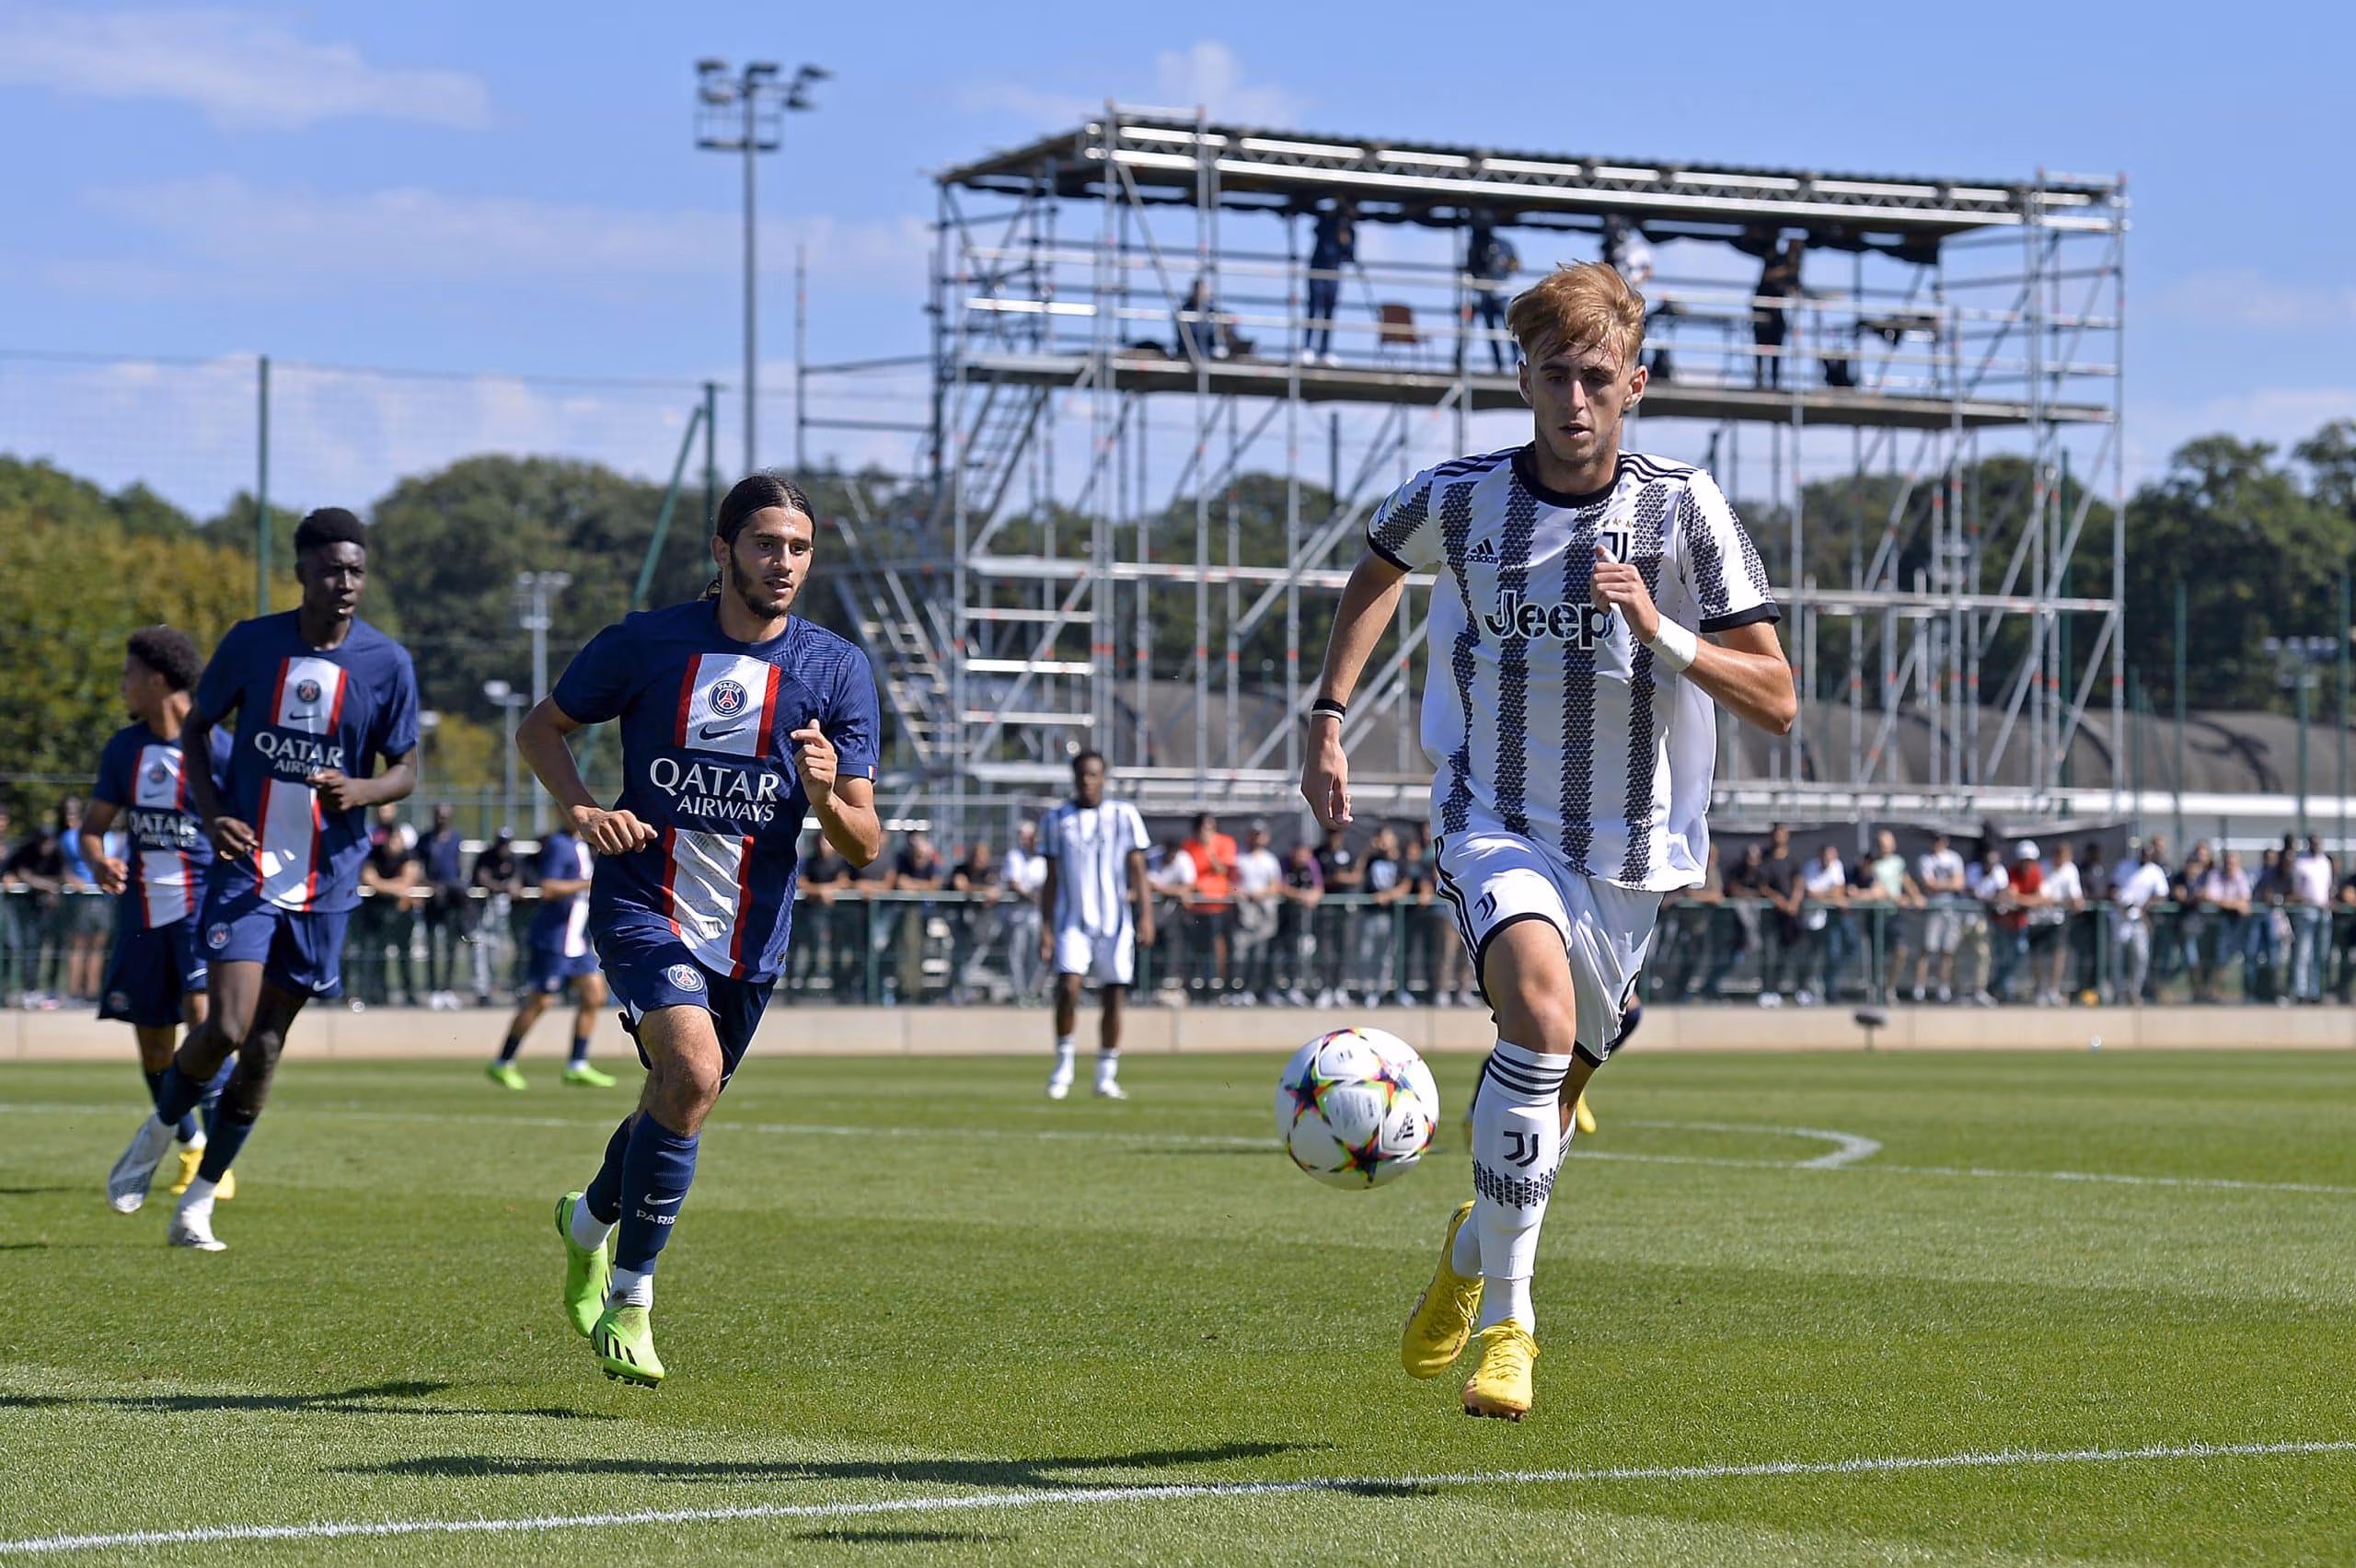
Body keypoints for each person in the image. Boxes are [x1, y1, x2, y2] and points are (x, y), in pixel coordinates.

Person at [1303, 259, 1794, 1420]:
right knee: (1537, 1007)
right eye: (1551, 377)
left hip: (1629, 853)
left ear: (1634, 385)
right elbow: (1376, 566)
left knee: (1549, 1095)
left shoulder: (1684, 505)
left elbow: (1774, 696)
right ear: (1519, 377)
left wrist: (1661, 630)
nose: (1572, 403)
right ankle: (1516, 1327)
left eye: (1594, 380)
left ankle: (1470, 1251)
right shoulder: (1459, 496)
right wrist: (1329, 716)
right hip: (1493, 814)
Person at [521, 472, 881, 1387]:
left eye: (799, 547)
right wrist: (584, 809)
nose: (785, 563)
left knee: (679, 1098)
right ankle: (633, 1298)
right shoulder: (646, 644)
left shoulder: (835, 669)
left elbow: (864, 842)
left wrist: (823, 795)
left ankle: (588, 1220)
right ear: (722, 552)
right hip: (642, 901)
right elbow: (542, 727)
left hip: (751, 937)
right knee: (690, 1070)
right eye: (767, 544)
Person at [104, 507, 422, 1250]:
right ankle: (158, 1134)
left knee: (268, 1046)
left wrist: (365, 790)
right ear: (302, 570)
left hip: (329, 880)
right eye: (332, 569)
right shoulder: (253, 644)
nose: (346, 584)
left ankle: (200, 1201)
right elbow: (195, 728)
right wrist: (212, 813)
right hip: (245, 869)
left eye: (356, 571)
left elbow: (406, 768)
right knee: (225, 1024)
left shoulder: (387, 663)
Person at [84, 628, 237, 1210]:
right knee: (154, 1050)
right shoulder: (124, 750)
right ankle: (192, 1141)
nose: (123, 686)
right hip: (142, 919)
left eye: (128, 676)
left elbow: (244, 824)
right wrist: (99, 861)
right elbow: (94, 828)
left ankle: (214, 1166)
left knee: (205, 1029)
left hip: (202, 913)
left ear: (157, 680)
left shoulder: (218, 749)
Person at [1036, 751, 1152, 1101]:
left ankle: (1106, 1074)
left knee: (1113, 995)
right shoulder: (1057, 819)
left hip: (1115, 922)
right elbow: (1051, 879)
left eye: (1094, 775)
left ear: (1104, 777)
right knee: (1068, 986)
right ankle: (1063, 1065)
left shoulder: (1124, 815)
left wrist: (1146, 915)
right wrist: (1045, 927)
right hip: (1072, 920)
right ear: (1073, 778)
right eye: (1082, 775)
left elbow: (1138, 870)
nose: (1087, 781)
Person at [486, 823, 616, 1090]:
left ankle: (577, 1064)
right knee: (540, 1002)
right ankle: (502, 1062)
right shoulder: (559, 844)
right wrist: (589, 883)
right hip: (554, 940)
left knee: (594, 994)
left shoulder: (580, 845)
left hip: (574, 941)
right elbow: (549, 888)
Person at [354, 802, 419, 1007]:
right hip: (376, 911)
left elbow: (409, 879)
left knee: (404, 955)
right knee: (375, 954)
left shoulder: (408, 856)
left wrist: (385, 886)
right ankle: (375, 993)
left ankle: (409, 994)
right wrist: (394, 887)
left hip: (401, 911)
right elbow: (369, 878)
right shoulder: (375, 855)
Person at [1177, 813, 1237, 1000]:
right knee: (1196, 947)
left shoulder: (1225, 842)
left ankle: (1215, 985)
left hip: (1218, 905)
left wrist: (1208, 848)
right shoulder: (1188, 845)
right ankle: (1195, 985)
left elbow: (1223, 869)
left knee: (1215, 947)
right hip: (1196, 906)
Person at [417, 803, 468, 1011]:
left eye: (445, 816)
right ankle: (432, 989)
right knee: (430, 944)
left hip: (451, 899)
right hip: (431, 897)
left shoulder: (456, 838)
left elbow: (458, 867)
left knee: (450, 945)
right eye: (439, 816)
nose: (442, 820)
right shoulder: (425, 840)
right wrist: (430, 885)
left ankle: (447, 988)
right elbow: (418, 868)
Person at [888, 830, 945, 1004]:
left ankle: (914, 989)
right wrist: (923, 887)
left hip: (925, 914)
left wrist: (917, 886)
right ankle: (908, 990)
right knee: (907, 952)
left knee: (918, 952)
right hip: (906, 913)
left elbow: (935, 884)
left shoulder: (932, 862)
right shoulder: (903, 859)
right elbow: (901, 882)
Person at [2111, 839, 2171, 1004]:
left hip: (2139, 920)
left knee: (2141, 956)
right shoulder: (2125, 866)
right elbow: (2113, 887)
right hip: (2121, 918)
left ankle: (2134, 991)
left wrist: (2146, 905)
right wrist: (2121, 901)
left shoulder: (2155, 871)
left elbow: (2162, 895)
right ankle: (2118, 993)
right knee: (2117, 957)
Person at [1460, 212, 1520, 374]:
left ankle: (1517, 363)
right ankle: (1499, 366)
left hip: (1502, 294)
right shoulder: (1475, 247)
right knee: (1491, 332)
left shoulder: (1505, 245)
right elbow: (1471, 268)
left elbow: (1517, 265)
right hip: (1485, 295)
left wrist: (1506, 264)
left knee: (1509, 331)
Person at [1300, 197, 1357, 365]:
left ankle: (1324, 350)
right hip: (1318, 269)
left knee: (1329, 313)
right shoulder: (1326, 222)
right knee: (1313, 308)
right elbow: (1316, 230)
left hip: (1334, 272)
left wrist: (1345, 240)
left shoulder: (1350, 231)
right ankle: (1307, 348)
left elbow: (1350, 255)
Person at [1911, 831, 1967, 1001]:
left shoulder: (1954, 858)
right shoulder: (1925, 859)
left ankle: (1943, 987)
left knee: (1948, 950)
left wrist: (1940, 885)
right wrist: (1946, 884)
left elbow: (1959, 884)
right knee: (1928, 948)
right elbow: (1930, 885)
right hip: (1933, 908)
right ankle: (1919, 987)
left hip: (1951, 908)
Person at [1231, 821, 1283, 1003]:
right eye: (1254, 834)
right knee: (1240, 953)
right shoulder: (1240, 858)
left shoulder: (1270, 860)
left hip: (1264, 912)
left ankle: (1259, 989)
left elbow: (1276, 885)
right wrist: (1243, 894)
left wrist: (1260, 894)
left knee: (1261, 954)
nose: (1257, 838)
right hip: (1244, 912)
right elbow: (1233, 883)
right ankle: (1239, 990)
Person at [468, 827, 521, 1003]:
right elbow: (482, 877)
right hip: (483, 908)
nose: (503, 848)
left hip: (505, 911)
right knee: (481, 946)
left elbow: (518, 880)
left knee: (502, 950)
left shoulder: (513, 858)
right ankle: (483, 990)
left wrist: (511, 886)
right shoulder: (486, 856)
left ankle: (510, 988)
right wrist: (501, 887)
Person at [1312, 824, 1360, 1006]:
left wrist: (1344, 879)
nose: (1334, 838)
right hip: (1326, 908)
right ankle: (1325, 986)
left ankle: (1339, 987)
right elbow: (1316, 879)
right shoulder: (1319, 853)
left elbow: (1356, 875)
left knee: (1343, 948)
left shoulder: (1348, 852)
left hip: (1344, 908)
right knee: (1325, 949)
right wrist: (1333, 880)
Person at [948, 840, 1000, 1002]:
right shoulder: (960, 869)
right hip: (959, 922)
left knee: (971, 959)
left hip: (981, 926)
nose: (979, 860)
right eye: (976, 856)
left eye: (982, 857)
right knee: (959, 958)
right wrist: (980, 890)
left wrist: (974, 889)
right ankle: (955, 991)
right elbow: (961, 886)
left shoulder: (989, 872)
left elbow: (994, 891)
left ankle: (961, 989)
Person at [1755, 825, 1803, 1004]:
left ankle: (1792, 989)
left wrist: (1794, 903)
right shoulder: (1766, 860)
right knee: (1770, 953)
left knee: (1790, 953)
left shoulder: (1793, 858)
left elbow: (1799, 882)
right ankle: (1768, 990)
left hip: (1792, 917)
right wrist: (1780, 902)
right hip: (1772, 916)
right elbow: (1763, 887)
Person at [1798, 842, 1849, 1005]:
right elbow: (1811, 893)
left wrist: (1825, 895)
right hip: (1811, 920)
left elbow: (1839, 890)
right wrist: (1830, 895)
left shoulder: (1836, 866)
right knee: (1810, 956)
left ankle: (1829, 989)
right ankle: (1805, 989)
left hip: (1831, 920)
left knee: (1833, 954)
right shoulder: (1810, 867)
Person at [1002, 820, 1047, 1001]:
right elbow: (1015, 882)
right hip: (1018, 913)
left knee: (1036, 955)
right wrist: (1032, 896)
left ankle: (1032, 991)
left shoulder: (1043, 861)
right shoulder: (1015, 856)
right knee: (1016, 954)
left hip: (1039, 915)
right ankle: (1018, 993)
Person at [2035, 841, 2083, 1006]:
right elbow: (2043, 897)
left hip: (2058, 919)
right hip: (2039, 919)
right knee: (2038, 954)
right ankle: (2040, 990)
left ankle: (2053, 990)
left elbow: (2076, 899)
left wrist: (2069, 901)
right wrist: (2060, 901)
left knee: (2059, 953)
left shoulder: (2070, 870)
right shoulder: (2043, 867)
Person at [1752, 236, 1804, 390]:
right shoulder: (1776, 258)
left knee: (1777, 346)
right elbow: (1769, 275)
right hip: (1762, 309)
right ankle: (1760, 380)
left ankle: (1775, 382)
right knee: (1761, 345)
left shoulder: (1794, 265)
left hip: (1777, 312)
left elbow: (1794, 288)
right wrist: (1788, 270)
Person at [1276, 839, 1323, 1005]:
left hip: (1306, 921)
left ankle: (1302, 988)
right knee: (1284, 953)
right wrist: (1301, 896)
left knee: (1305, 953)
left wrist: (1313, 896)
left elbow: (1319, 888)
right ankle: (1284, 988)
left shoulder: (1311, 865)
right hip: (1284, 920)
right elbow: (1280, 887)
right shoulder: (1284, 863)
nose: (1301, 857)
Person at [2289, 836, 2334, 1004]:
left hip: (2324, 914)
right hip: (2306, 913)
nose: (2317, 845)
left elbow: (2328, 888)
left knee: (2320, 954)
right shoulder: (2301, 863)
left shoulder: (2325, 863)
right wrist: (2312, 902)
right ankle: (2300, 991)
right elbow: (2296, 891)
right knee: (2303, 953)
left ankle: (2316, 991)